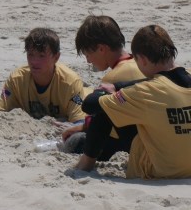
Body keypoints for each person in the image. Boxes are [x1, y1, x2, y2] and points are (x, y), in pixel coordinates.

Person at [76, 25, 191, 179]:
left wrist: (107, 91)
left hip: (160, 172)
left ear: (142, 59)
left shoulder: (146, 92)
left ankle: (85, 165)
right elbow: (164, 79)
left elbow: (89, 105)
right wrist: (118, 86)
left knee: (107, 108)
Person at [61, 15, 145, 154]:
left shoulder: (113, 78)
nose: (88, 61)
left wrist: (82, 127)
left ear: (101, 49)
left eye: (87, 54)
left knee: (77, 141)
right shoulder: (141, 62)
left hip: (136, 144)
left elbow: (104, 124)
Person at [0, 28, 86, 123]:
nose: (34, 62)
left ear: (56, 57)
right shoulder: (16, 80)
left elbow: (80, 122)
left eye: (41, 56)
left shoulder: (71, 83)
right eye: (30, 54)